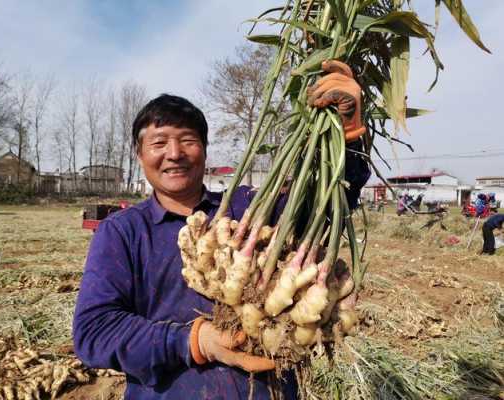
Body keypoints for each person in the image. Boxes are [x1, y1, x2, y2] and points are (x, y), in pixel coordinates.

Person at [72, 60, 370, 400]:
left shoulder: (250, 208)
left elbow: (328, 201)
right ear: (140, 155)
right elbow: (93, 333)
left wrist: (346, 135)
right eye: (159, 143)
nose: (174, 154)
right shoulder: (122, 232)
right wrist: (196, 341)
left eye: (187, 140)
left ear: (204, 149)